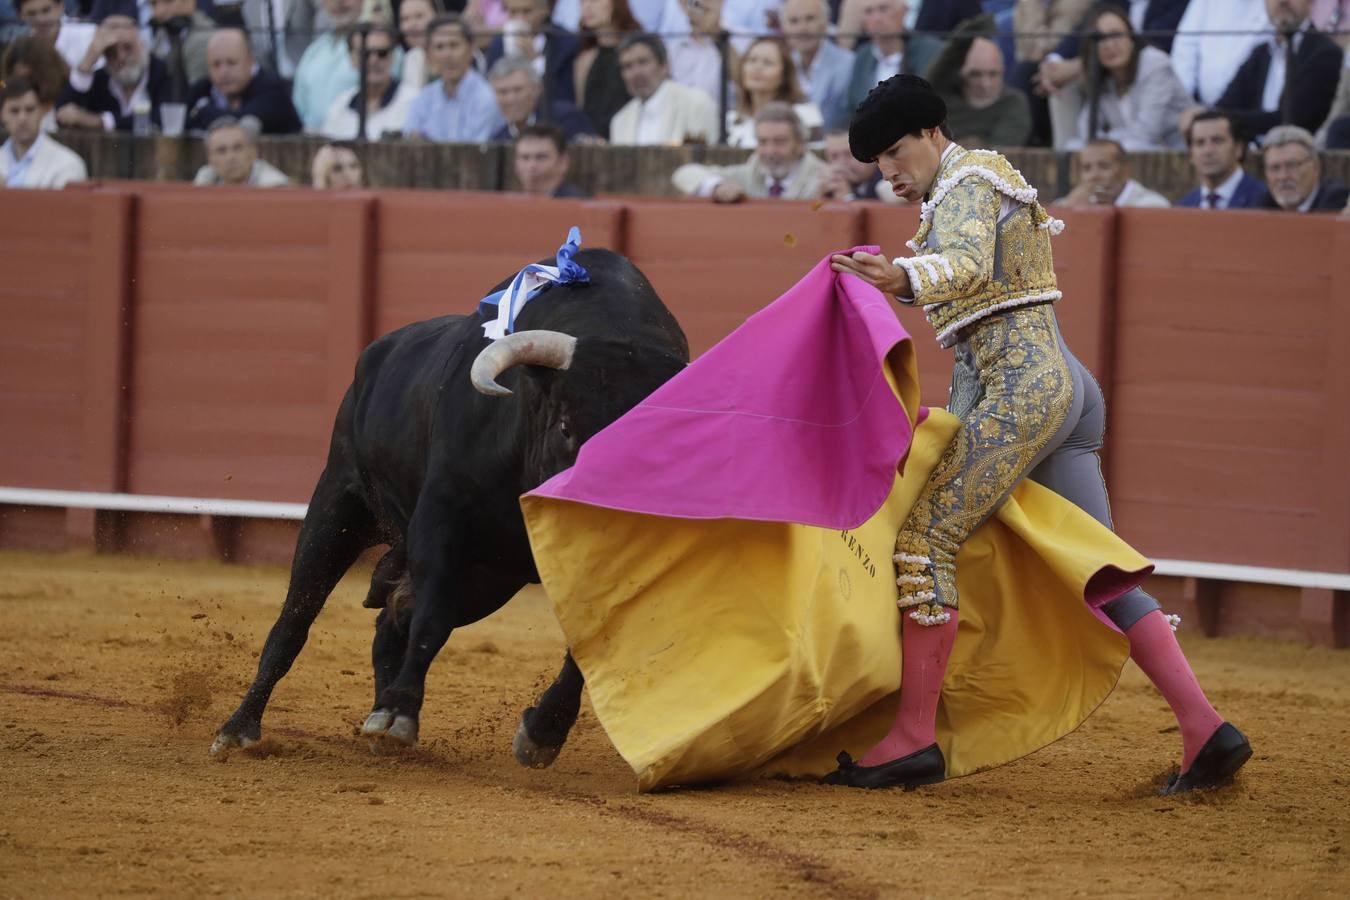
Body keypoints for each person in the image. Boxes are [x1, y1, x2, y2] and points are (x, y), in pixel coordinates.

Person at [824, 74, 1249, 794]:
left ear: (933, 134)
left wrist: (900, 276)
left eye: (896, 153)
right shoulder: (967, 185)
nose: (890, 172)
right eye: (878, 165)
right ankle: (1206, 728)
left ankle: (911, 739)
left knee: (925, 542)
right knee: (1097, 567)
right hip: (1057, 386)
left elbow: (960, 267)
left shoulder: (968, 180)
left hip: (1022, 389)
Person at [1201, 0, 1344, 144]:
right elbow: (1224, 105)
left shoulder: (1325, 54)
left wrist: (1227, 118)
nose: (1282, 2)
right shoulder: (1261, 53)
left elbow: (1290, 121)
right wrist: (1214, 116)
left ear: (1310, 2)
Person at [1055, 2, 1192, 151]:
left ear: (1132, 39)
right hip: (1128, 149)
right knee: (1071, 147)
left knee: (1128, 148)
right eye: (1101, 39)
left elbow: (1145, 133)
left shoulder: (1155, 64)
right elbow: (1087, 129)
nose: (1110, 45)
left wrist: (1106, 141)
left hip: (1171, 153)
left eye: (1116, 35)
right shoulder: (1103, 75)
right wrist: (1105, 142)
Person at [671, 101, 826, 201]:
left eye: (780, 142)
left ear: (800, 143)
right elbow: (685, 173)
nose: (770, 151)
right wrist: (717, 187)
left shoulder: (823, 177)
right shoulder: (749, 173)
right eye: (762, 142)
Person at [924, 14, 1032, 148]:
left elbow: (1000, 155)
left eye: (993, 74)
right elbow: (936, 76)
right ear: (960, 75)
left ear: (1003, 72)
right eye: (975, 74)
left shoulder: (1013, 102)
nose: (985, 84)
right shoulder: (945, 100)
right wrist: (966, 35)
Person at [58, 12, 172, 132]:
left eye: (128, 47)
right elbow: (64, 114)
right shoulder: (101, 79)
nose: (121, 57)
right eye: (111, 51)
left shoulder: (163, 72)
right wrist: (89, 60)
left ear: (141, 42)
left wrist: (99, 121)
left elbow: (161, 119)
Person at [403, 15, 505, 141]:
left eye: (454, 45)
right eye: (439, 47)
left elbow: (475, 152)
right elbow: (410, 139)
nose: (447, 55)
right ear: (429, 54)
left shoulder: (487, 98)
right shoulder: (423, 99)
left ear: (471, 48)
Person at [608, 33, 719, 146]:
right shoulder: (620, 120)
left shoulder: (696, 104)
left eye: (643, 62)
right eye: (628, 66)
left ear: (664, 65)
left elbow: (702, 158)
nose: (636, 73)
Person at [186, 28, 302, 133]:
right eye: (216, 65)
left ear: (250, 60)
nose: (223, 72)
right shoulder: (201, 90)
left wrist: (202, 111)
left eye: (231, 62)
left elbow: (238, 125)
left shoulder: (272, 89)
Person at [320, 24, 416, 140]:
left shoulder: (414, 101)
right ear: (351, 58)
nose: (373, 60)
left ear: (393, 56)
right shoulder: (340, 105)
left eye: (382, 53)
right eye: (365, 54)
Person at [726, 36, 824, 148]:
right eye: (752, 60)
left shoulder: (805, 113)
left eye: (768, 63)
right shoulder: (730, 118)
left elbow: (816, 158)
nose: (757, 67)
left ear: (784, 74)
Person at [484, 0, 580, 107]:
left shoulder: (565, 42)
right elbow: (489, 91)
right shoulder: (499, 43)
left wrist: (536, 61)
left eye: (527, 11)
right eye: (513, 12)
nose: (520, 19)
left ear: (544, 10)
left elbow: (563, 98)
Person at [0, 77, 88, 189]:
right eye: (14, 110)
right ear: (1, 114)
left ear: (42, 111)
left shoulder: (69, 164)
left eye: (30, 109)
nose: (22, 118)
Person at [291, 0, 362, 133]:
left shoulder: (381, 50)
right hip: (311, 143)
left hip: (359, 143)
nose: (339, 2)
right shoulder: (314, 51)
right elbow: (298, 108)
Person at [781, 0, 853, 130]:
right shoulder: (783, 65)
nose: (802, 28)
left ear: (825, 24)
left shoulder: (848, 64)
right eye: (794, 21)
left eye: (810, 19)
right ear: (784, 29)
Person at [1176, 110, 1269, 209]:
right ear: (1191, 154)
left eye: (1217, 141)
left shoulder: (1265, 202)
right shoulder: (1183, 206)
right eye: (1200, 143)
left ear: (1239, 148)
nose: (1208, 151)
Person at [571, 0, 637, 137]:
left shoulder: (637, 51)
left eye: (594, 1)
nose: (587, 7)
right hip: (595, 144)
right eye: (582, 2)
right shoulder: (583, 60)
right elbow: (581, 108)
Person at [489, 55, 594, 141]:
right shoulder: (498, 140)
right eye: (502, 92)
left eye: (518, 90)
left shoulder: (566, 119)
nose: (510, 99)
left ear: (537, 89)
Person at [1055, 137, 1170, 207]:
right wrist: (1069, 209)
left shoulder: (1152, 204)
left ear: (1126, 171)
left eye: (1104, 166)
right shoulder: (1071, 203)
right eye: (1087, 168)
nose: (1094, 176)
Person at [1258, 124, 1350, 211]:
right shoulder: (1263, 203)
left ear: (1316, 166)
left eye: (1292, 166)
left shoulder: (1336, 200)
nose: (1283, 176)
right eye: (1275, 168)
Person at [193, 116, 291, 186]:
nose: (231, 157)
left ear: (253, 152)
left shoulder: (274, 184)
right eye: (221, 151)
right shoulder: (206, 177)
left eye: (238, 148)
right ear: (210, 159)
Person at [1, 36, 70, 133]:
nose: (24, 86)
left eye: (30, 79)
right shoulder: (6, 101)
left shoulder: (66, 97)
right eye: (18, 79)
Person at [819, 127, 903, 202]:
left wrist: (847, 198)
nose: (842, 163)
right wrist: (822, 196)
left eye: (849, 154)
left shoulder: (889, 181)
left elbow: (880, 217)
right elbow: (814, 211)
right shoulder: (833, 182)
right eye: (834, 156)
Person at [146, 0, 217, 85]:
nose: (160, 12)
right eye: (153, 4)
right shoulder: (162, 34)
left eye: (168, 2)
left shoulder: (205, 39)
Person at [513, 122, 591, 196]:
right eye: (525, 158)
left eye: (541, 157)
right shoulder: (510, 203)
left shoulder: (580, 204)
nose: (531, 166)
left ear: (563, 162)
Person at [398, 0, 441, 91]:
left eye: (419, 16)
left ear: (438, 17)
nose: (412, 25)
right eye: (405, 19)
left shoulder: (460, 54)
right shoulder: (412, 57)